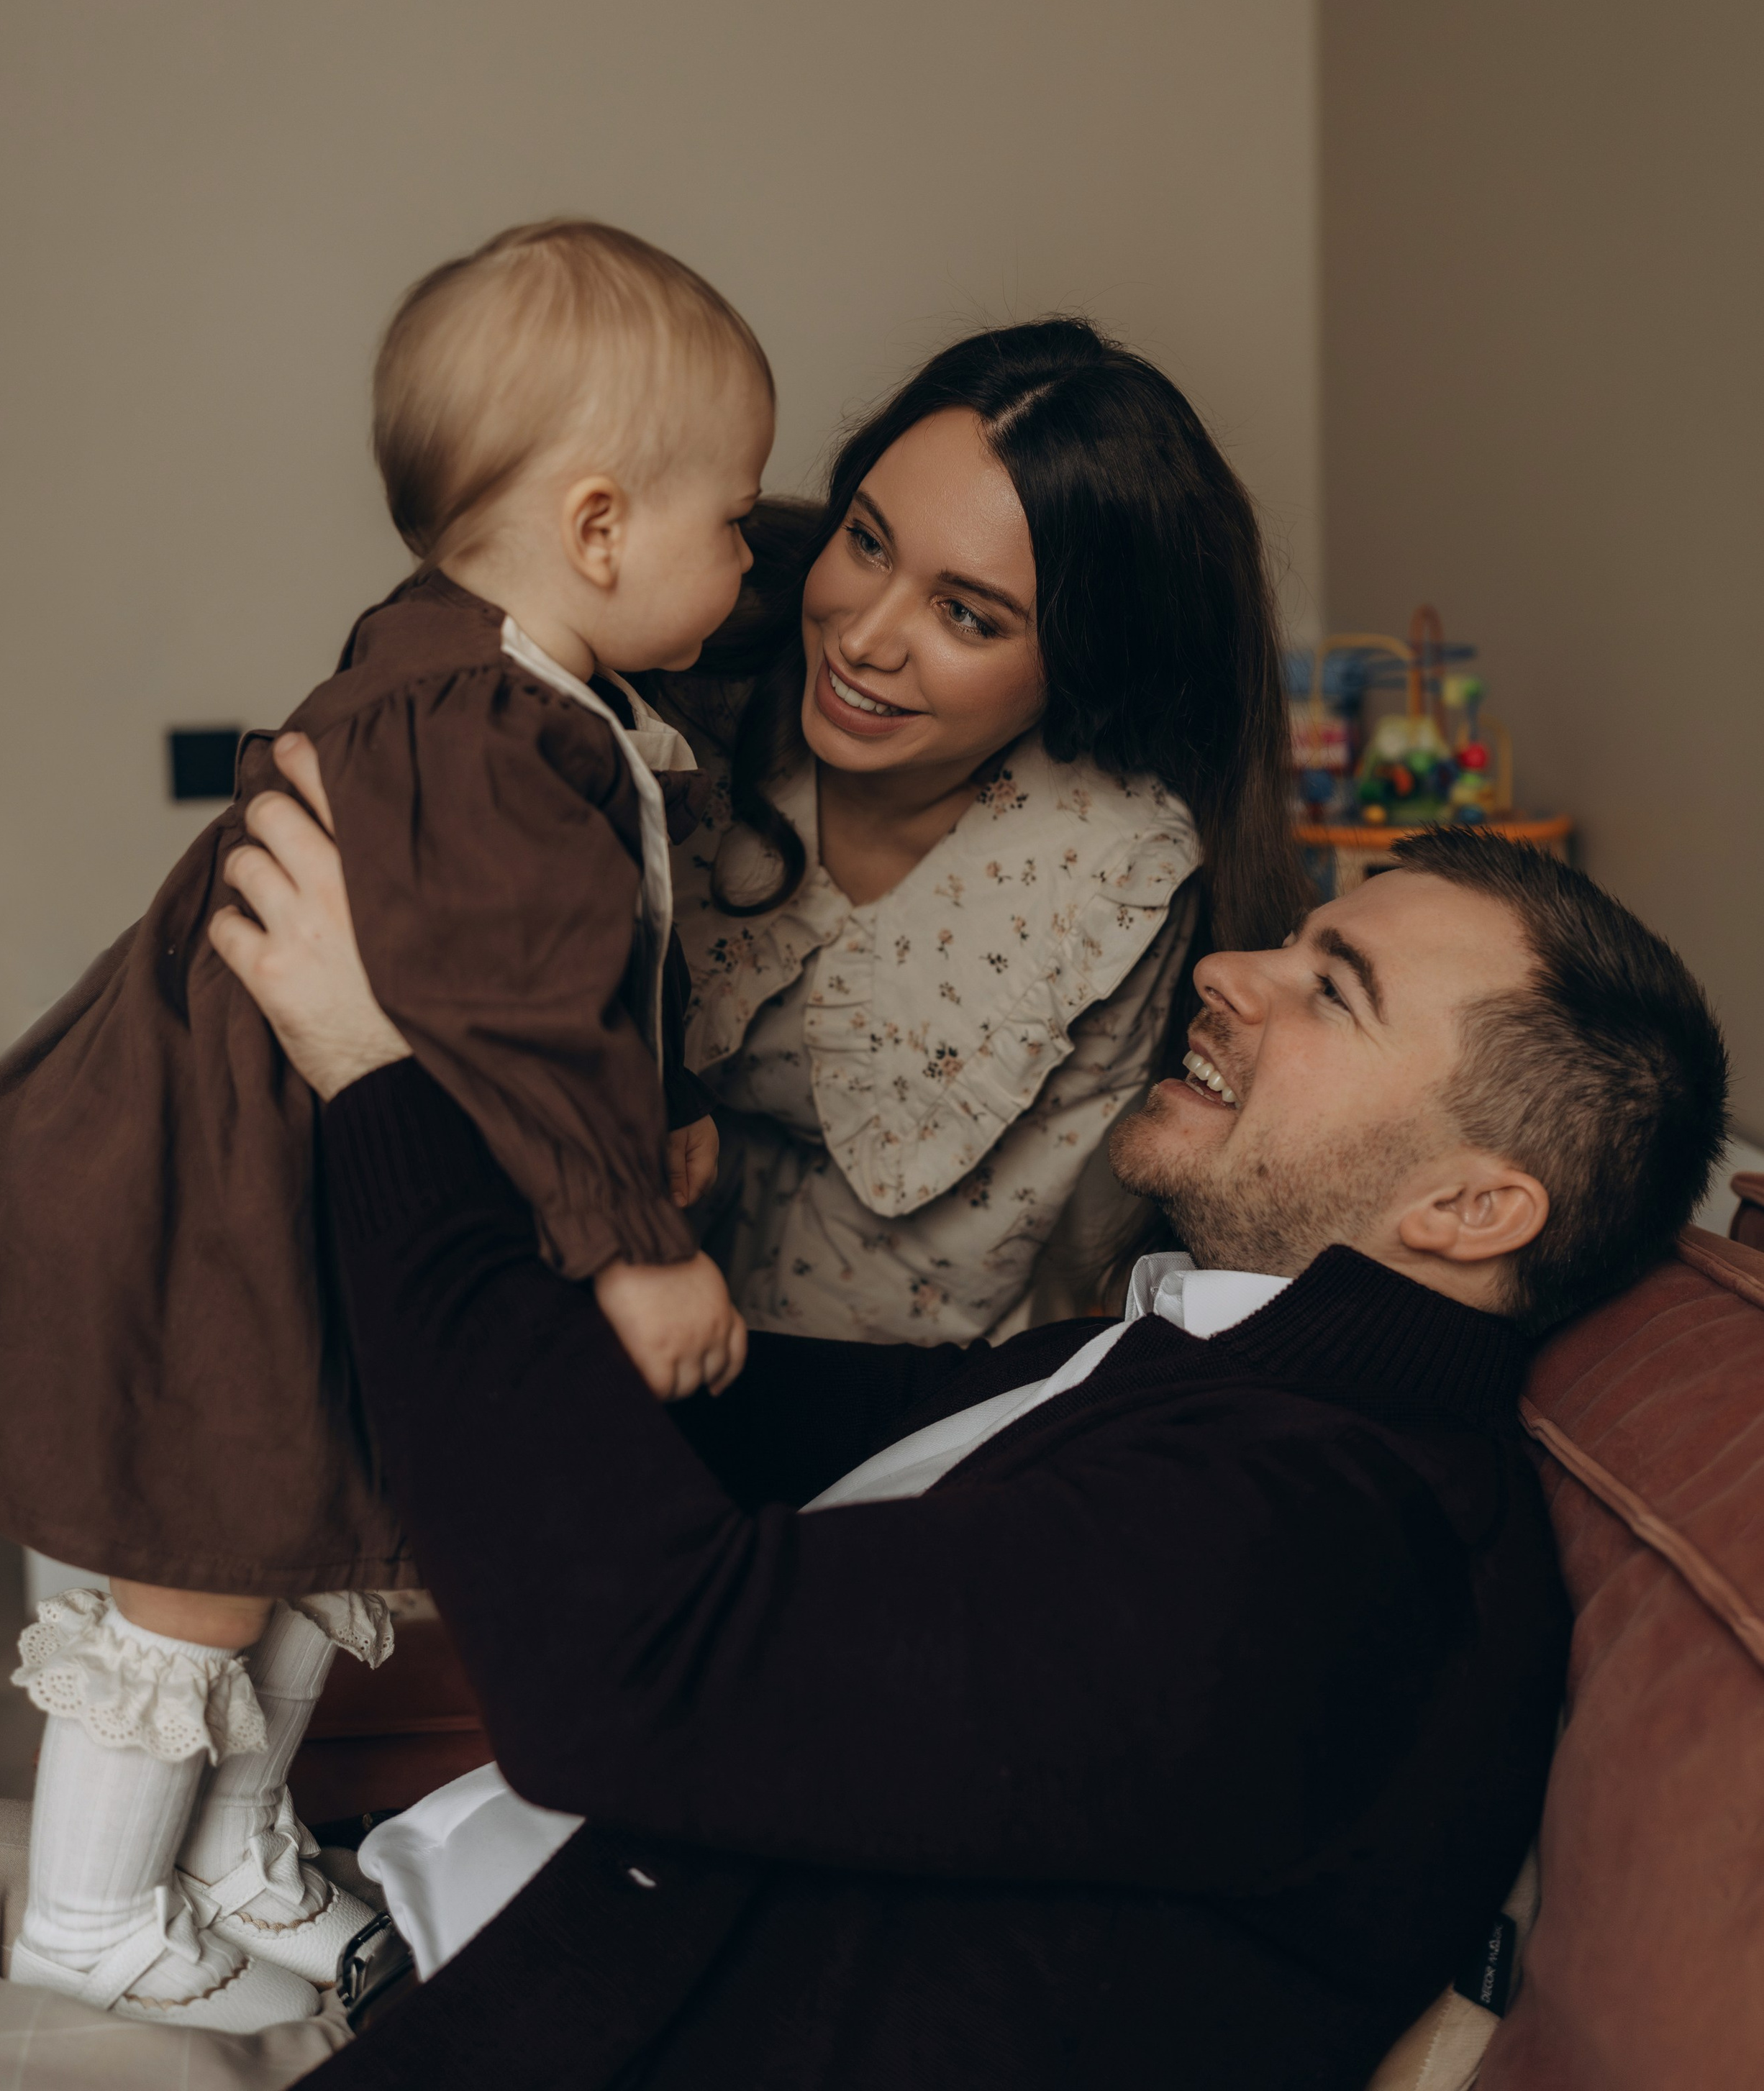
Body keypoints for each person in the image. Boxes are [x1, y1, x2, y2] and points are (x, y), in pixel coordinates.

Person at [210, 747, 1729, 2090]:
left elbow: (640, 1675)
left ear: (1469, 1207)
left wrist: (383, 1082)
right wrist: (570, 1182)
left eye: (1329, 990)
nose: (1229, 970)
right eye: (1291, 938)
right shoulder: (1203, 1372)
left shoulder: (1321, 1543)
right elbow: (722, 1412)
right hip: (442, 1962)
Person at [0, 221, 768, 2031]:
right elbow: (516, 1006)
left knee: (317, 1532)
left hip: (275, 1189)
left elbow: (554, 992)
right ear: (601, 529)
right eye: (739, 524)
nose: (748, 566)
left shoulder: (484, 678)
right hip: (200, 1198)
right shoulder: (484, 729)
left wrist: (655, 1121)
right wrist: (635, 1243)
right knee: (205, 1550)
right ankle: (85, 1911)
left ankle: (228, 1855)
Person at [655, 317, 1310, 1345]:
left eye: (969, 616)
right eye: (867, 542)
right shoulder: (677, 677)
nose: (864, 639)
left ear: (1083, 665)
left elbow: (943, 1282)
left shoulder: (1107, 877)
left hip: (869, 1375)